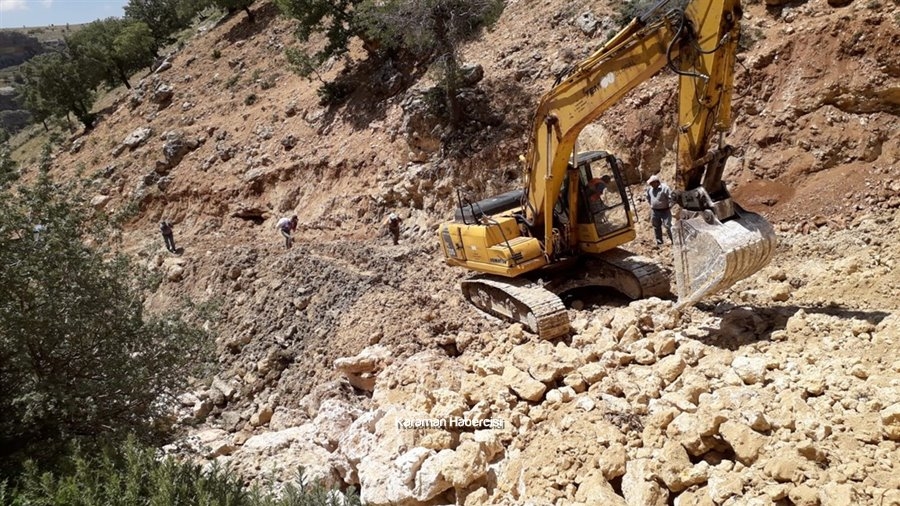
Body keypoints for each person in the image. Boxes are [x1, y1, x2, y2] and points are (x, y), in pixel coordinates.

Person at [646, 174, 674, 246]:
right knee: (656, 226)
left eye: (652, 183)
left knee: (668, 226)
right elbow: (648, 198)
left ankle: (674, 241)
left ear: (656, 182)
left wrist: (669, 206)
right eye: (650, 184)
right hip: (655, 211)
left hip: (665, 211)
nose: (651, 185)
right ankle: (659, 243)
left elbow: (671, 198)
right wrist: (652, 205)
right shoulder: (650, 189)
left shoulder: (665, 188)